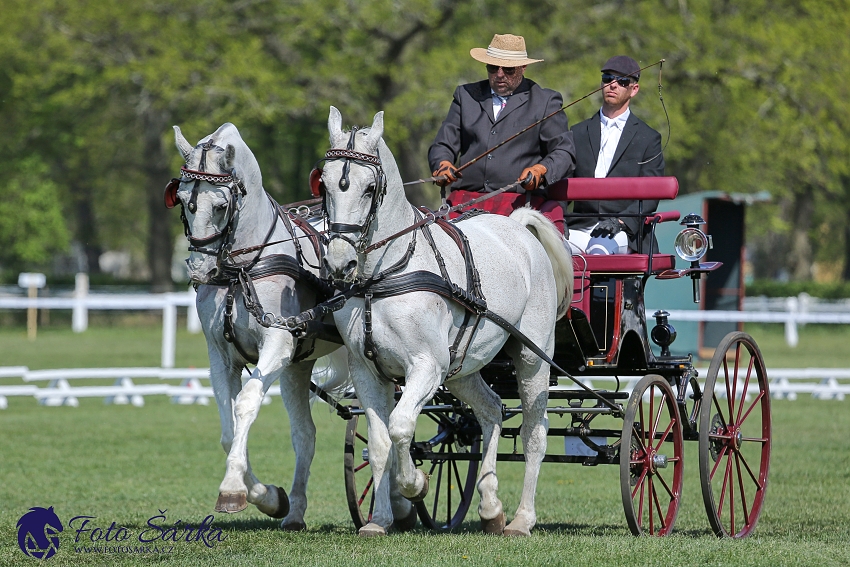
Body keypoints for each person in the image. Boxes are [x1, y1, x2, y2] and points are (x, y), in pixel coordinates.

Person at [428, 33, 575, 232]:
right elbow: (443, 144)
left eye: (508, 69)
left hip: (521, 203)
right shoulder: (466, 96)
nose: (499, 74)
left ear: (523, 67)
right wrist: (442, 164)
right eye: (492, 67)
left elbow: (564, 151)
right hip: (465, 201)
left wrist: (542, 170)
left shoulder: (545, 101)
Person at [567, 55, 665, 255]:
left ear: (633, 89)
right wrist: (557, 222)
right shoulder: (577, 132)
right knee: (545, 250)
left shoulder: (648, 138)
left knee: (599, 249)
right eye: (607, 79)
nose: (612, 85)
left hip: (624, 231)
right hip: (579, 226)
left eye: (622, 81)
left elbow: (650, 196)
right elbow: (562, 182)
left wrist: (621, 221)